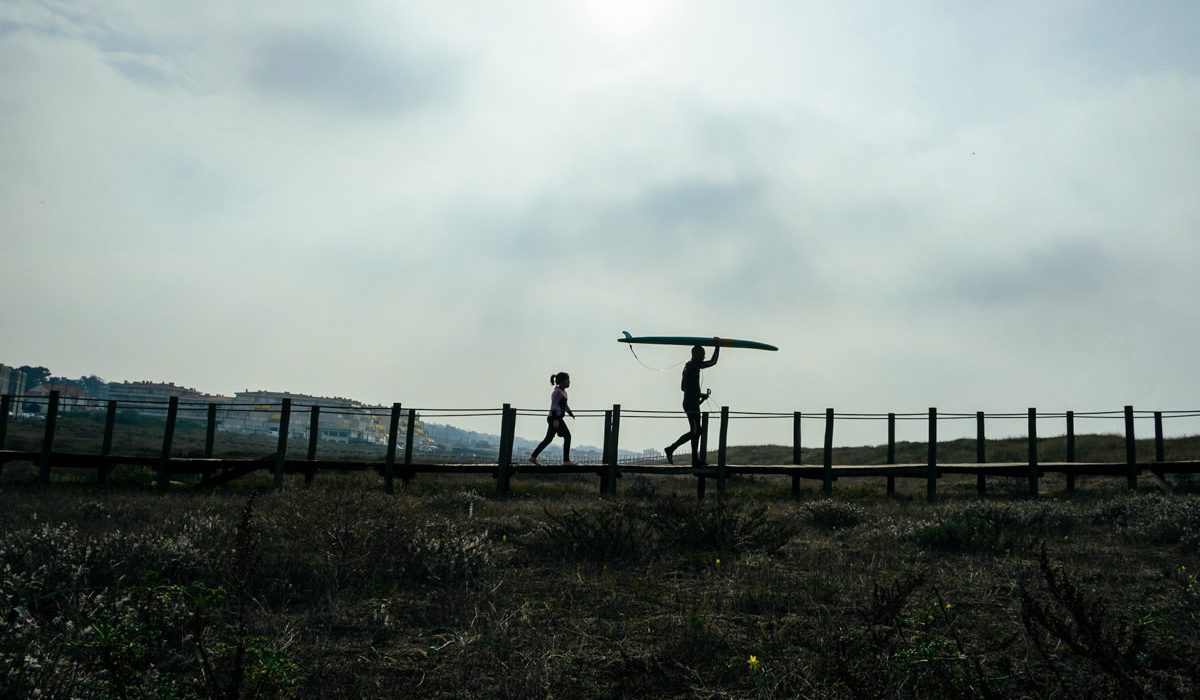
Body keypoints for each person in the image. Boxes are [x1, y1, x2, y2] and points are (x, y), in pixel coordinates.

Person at [665, 339, 720, 467]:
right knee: (696, 431)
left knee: (696, 431)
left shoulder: (688, 367)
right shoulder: (692, 365)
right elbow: (713, 362)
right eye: (702, 354)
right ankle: (671, 448)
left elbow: (683, 388)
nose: (704, 357)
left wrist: (700, 396)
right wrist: (717, 346)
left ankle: (695, 460)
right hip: (690, 404)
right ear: (696, 355)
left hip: (691, 402)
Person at [529, 372, 576, 466]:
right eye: (568, 380)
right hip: (555, 418)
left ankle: (533, 457)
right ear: (562, 381)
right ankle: (566, 461)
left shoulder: (564, 392)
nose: (569, 382)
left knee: (548, 439)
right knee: (567, 436)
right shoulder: (557, 392)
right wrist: (556, 420)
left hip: (556, 418)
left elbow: (565, 406)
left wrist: (570, 413)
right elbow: (554, 407)